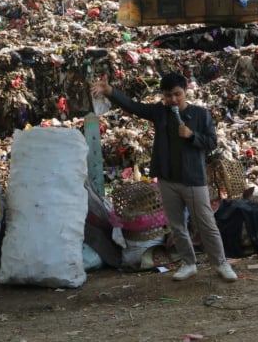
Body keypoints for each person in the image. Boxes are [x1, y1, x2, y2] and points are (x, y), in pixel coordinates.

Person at [90, 72, 237, 282]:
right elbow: (134, 106)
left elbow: (212, 142)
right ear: (163, 96)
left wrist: (192, 136)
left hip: (193, 179)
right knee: (176, 225)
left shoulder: (201, 115)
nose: (174, 100)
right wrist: (109, 91)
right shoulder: (160, 112)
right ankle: (188, 263)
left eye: (177, 94)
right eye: (169, 96)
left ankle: (221, 263)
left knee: (206, 223)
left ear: (186, 92)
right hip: (168, 179)